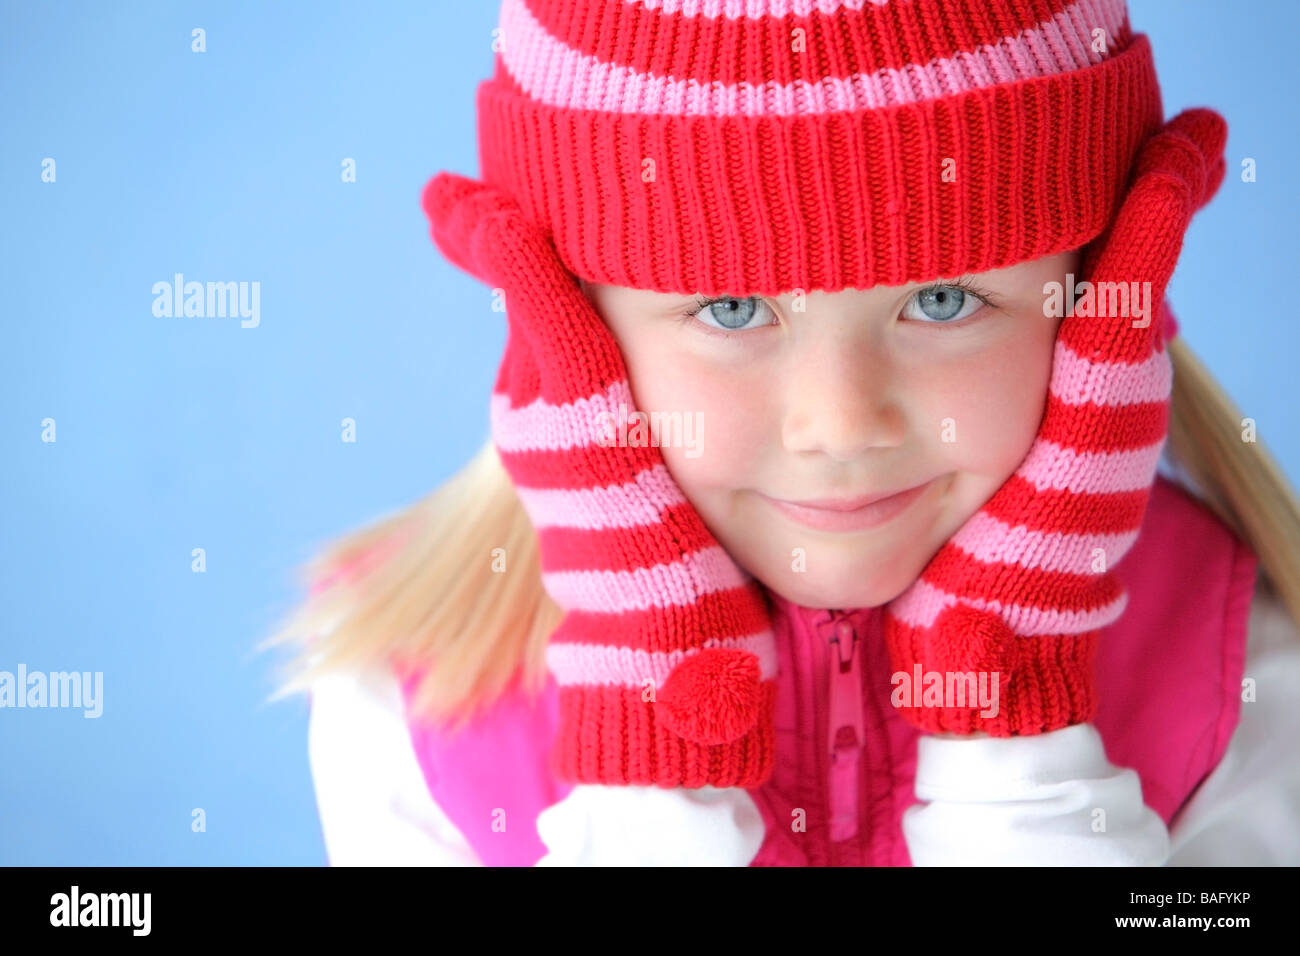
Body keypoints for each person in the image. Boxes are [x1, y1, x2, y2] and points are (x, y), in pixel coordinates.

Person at [262, 0, 1300, 865]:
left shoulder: (1243, 671)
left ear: (1100, 294)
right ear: (563, 326)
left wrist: (1010, 706)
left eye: (942, 299)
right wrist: (654, 743)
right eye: (729, 309)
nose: (840, 425)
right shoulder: (414, 703)